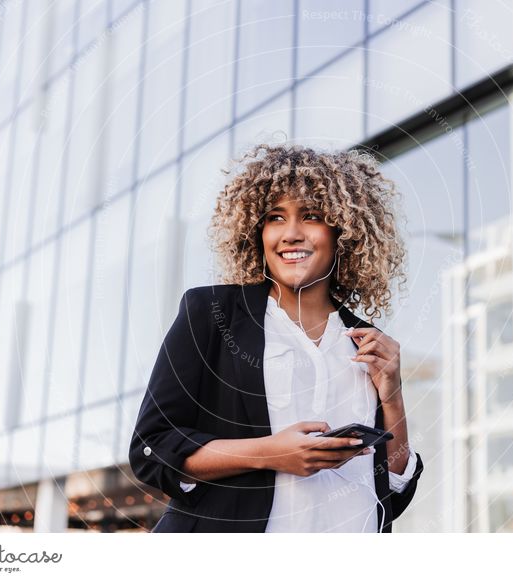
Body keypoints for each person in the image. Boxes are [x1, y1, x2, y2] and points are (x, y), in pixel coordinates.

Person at [129, 143, 424, 532]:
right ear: (257, 232)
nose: (291, 234)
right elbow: (153, 448)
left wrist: (392, 393)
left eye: (311, 216)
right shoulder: (213, 314)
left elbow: (394, 488)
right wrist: (269, 454)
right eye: (275, 218)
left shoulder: (368, 344)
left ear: (343, 231)